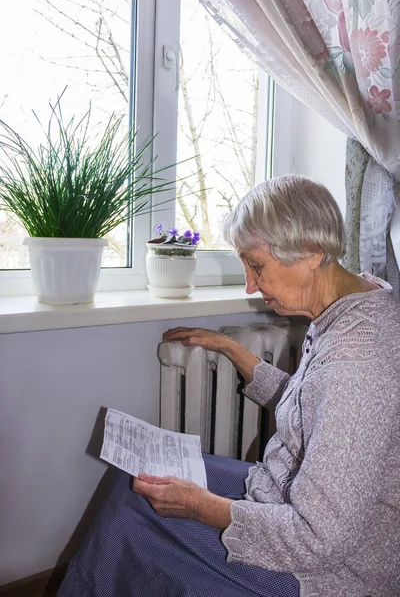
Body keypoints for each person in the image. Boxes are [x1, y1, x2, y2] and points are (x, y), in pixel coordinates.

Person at [58, 175, 400, 597]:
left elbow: (316, 540)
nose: (250, 285)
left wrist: (201, 506)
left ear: (311, 253)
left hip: (333, 572)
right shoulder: (355, 302)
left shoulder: (358, 359)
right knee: (131, 480)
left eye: (256, 265)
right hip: (281, 495)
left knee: (129, 521)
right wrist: (233, 350)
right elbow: (315, 408)